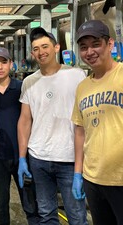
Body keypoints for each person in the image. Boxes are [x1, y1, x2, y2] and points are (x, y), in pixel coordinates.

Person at [17, 27, 88, 225]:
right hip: (39, 158)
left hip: (69, 158)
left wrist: (80, 168)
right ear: (32, 53)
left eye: (45, 46)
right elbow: (25, 120)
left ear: (56, 47)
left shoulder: (77, 75)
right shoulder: (29, 82)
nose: (41, 52)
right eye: (36, 48)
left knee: (77, 216)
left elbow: (84, 118)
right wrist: (23, 158)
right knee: (46, 214)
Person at [0, 47, 40, 225]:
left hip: (23, 155)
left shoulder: (23, 89)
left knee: (31, 203)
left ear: (11, 64)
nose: (0, 67)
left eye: (3, 62)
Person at [72, 20, 123, 225]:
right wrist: (78, 172)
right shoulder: (82, 87)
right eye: (83, 47)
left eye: (95, 44)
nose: (89, 52)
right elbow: (80, 130)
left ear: (110, 44)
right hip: (93, 178)